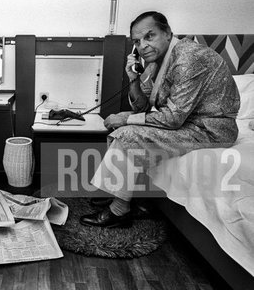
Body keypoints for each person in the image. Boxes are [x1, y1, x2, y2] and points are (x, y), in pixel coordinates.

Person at [80, 11, 240, 228]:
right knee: (119, 124)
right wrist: (133, 79)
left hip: (210, 128)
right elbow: (144, 106)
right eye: (137, 41)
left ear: (167, 33)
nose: (143, 45)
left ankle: (120, 210)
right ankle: (124, 193)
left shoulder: (189, 59)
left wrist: (127, 120)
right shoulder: (156, 61)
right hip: (186, 121)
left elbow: (172, 118)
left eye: (149, 36)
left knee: (127, 133)